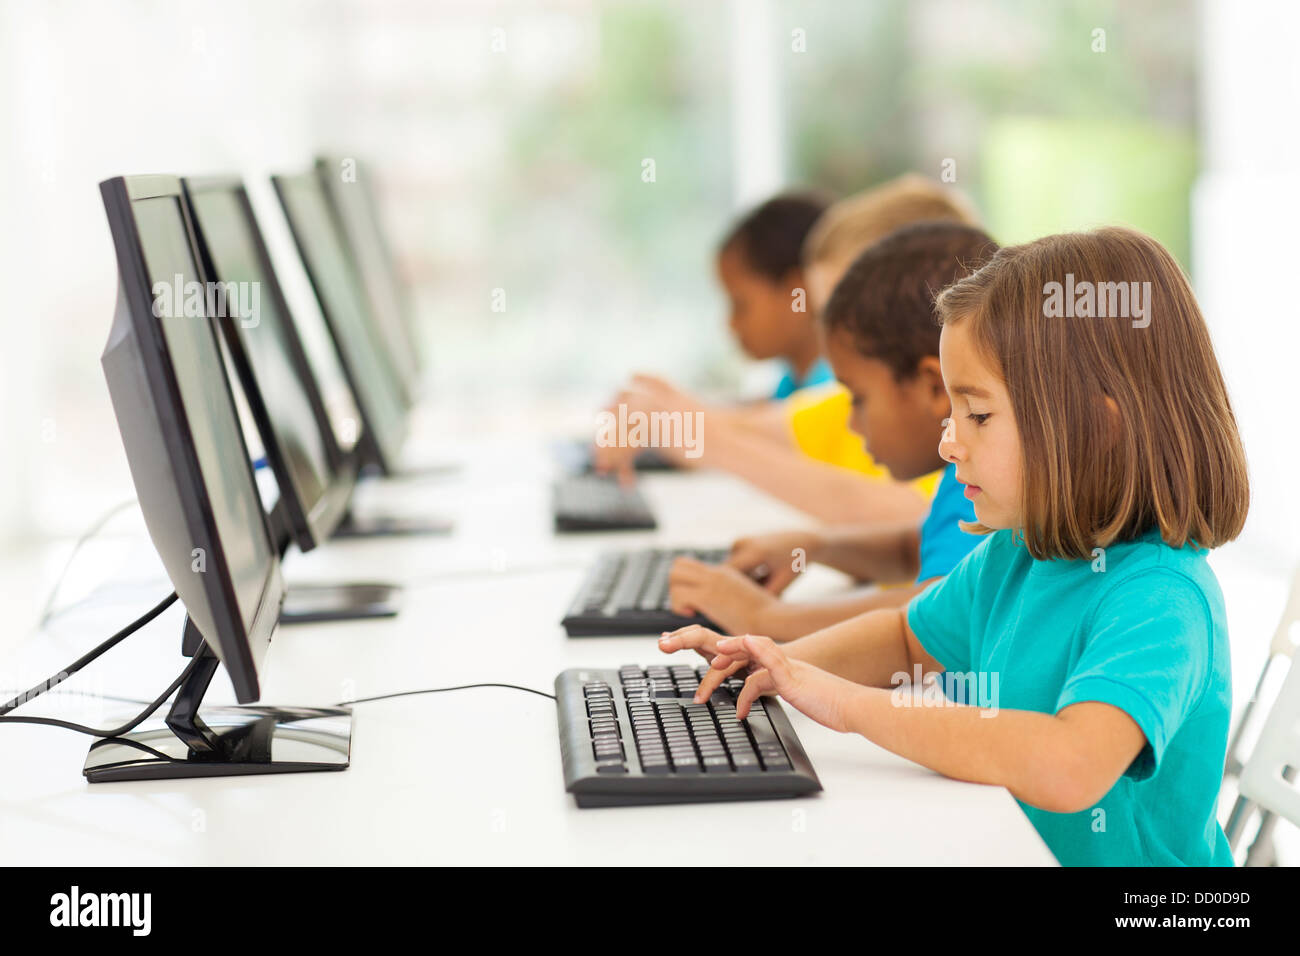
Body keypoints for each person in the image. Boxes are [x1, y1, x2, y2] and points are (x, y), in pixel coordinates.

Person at [660, 227, 1248, 866]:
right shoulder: (1020, 553)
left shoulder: (1160, 600)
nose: (949, 444)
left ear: (1100, 427)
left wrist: (848, 705)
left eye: (979, 416)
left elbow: (1069, 764)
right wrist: (779, 667)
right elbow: (907, 640)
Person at [668, 222, 998, 638]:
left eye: (858, 398)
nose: (850, 422)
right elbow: (914, 548)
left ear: (934, 387)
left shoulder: (982, 477)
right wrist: (818, 546)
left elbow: (941, 608)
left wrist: (766, 620)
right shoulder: (961, 477)